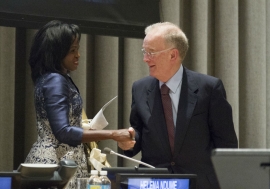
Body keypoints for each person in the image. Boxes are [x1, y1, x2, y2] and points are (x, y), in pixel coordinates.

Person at [121, 22, 238, 189]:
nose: (145, 59)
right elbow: (138, 133)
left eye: (151, 52)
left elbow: (227, 146)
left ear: (173, 55)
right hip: (154, 183)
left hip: (199, 183)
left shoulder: (209, 88)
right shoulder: (140, 88)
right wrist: (129, 140)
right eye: (144, 52)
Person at [25, 20, 135, 189]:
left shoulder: (53, 78)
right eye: (72, 51)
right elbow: (62, 131)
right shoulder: (55, 80)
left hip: (60, 162)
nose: (78, 55)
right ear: (57, 53)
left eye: (77, 49)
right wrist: (113, 134)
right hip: (57, 165)